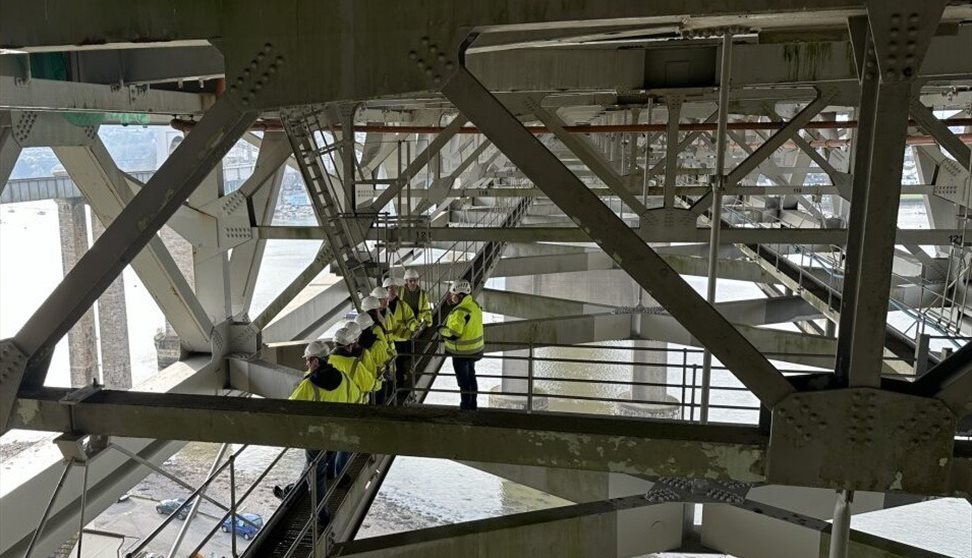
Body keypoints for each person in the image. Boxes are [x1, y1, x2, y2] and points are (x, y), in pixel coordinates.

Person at [278, 340, 362, 526]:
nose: (306, 364)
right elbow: (357, 397)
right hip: (339, 434)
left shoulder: (309, 386)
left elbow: (290, 410)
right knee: (322, 464)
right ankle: (293, 492)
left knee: (316, 473)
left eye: (308, 360)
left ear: (315, 361)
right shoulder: (344, 378)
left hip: (316, 436)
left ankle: (321, 514)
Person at [324, 326, 371, 481]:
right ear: (350, 345)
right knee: (344, 444)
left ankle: (329, 473)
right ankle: (341, 475)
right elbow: (368, 385)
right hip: (351, 410)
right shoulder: (355, 364)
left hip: (329, 410)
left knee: (330, 443)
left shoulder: (327, 361)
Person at [438, 279, 484, 410]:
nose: (451, 298)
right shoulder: (474, 305)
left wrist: (440, 329)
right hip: (475, 351)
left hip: (462, 353)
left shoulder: (459, 312)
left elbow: (453, 334)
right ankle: (473, 404)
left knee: (463, 382)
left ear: (460, 296)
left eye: (453, 295)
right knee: (471, 377)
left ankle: (465, 406)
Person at [383, 276, 419, 391]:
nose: (393, 290)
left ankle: (398, 387)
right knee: (390, 366)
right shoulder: (382, 307)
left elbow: (411, 319)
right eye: (390, 288)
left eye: (395, 288)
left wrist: (414, 326)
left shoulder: (403, 306)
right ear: (385, 290)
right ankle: (393, 387)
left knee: (399, 365)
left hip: (400, 341)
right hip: (388, 342)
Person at [355, 311, 392, 405]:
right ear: (371, 326)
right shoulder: (377, 344)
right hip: (377, 382)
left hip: (363, 385)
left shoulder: (356, 347)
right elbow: (383, 363)